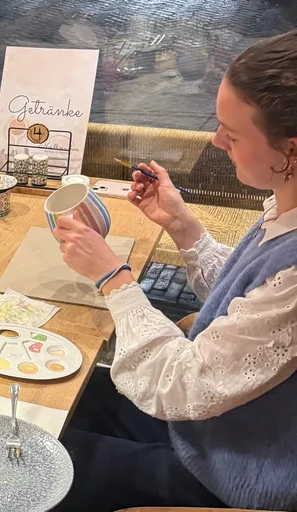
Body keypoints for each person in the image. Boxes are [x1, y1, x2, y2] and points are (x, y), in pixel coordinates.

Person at [54, 30, 297, 511]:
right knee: (58, 401)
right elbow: (248, 304)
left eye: (233, 131)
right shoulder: (283, 210)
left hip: (232, 471)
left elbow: (181, 385)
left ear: (292, 149)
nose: (215, 139)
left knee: (35, 463)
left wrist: (114, 279)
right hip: (206, 422)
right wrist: (184, 228)